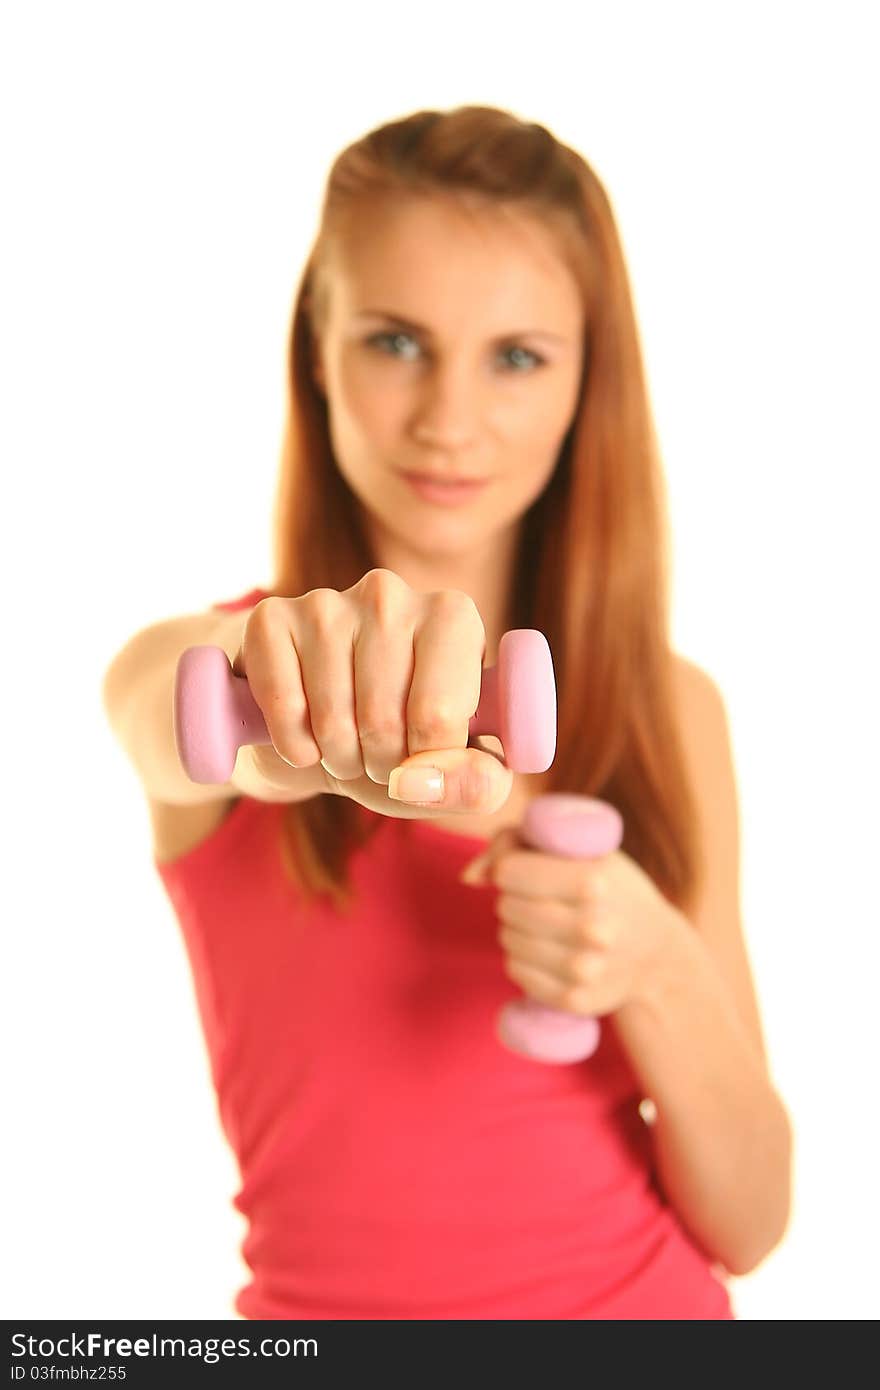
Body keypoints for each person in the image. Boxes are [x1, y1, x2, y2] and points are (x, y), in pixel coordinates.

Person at [102, 104, 792, 1320]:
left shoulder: (671, 710)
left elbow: (750, 1218)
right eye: (394, 341)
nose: (449, 421)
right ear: (315, 347)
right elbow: (172, 710)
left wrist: (652, 964)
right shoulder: (212, 670)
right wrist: (297, 703)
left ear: (590, 379)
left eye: (517, 355)